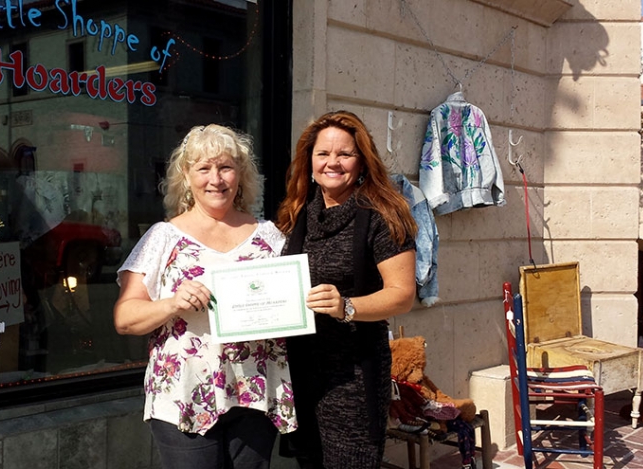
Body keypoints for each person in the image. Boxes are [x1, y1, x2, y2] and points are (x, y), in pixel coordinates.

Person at [114, 124, 296, 469]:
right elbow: (125, 319)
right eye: (204, 168)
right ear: (186, 175)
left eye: (226, 167)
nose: (216, 179)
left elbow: (291, 306)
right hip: (184, 396)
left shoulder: (270, 237)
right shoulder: (163, 237)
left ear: (241, 174)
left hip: (254, 392)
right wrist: (171, 303)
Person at [276, 111, 418, 468]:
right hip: (302, 372)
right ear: (309, 161)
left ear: (362, 162)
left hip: (354, 375)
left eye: (344, 154)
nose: (332, 163)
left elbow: (402, 294)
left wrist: (346, 306)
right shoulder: (298, 214)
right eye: (323, 154)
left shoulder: (382, 215)